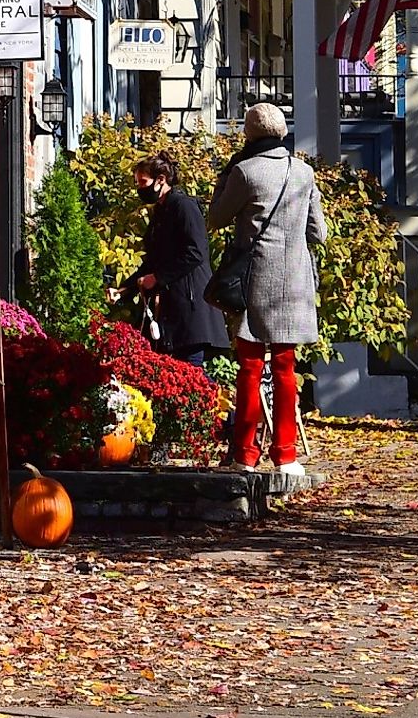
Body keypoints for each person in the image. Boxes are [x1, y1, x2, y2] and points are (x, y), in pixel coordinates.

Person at [206, 103, 328, 478]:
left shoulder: (245, 172)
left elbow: (215, 218)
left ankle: (245, 455)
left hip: (256, 278)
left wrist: (225, 178)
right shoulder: (303, 173)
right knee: (285, 367)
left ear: (249, 135)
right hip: (294, 281)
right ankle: (286, 455)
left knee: (250, 366)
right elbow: (318, 232)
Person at [126, 153, 229, 368]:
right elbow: (154, 260)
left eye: (143, 182)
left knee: (190, 375)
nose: (139, 188)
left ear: (161, 180)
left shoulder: (184, 206)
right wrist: (125, 288)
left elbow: (196, 252)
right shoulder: (161, 212)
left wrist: (158, 278)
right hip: (174, 311)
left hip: (191, 309)